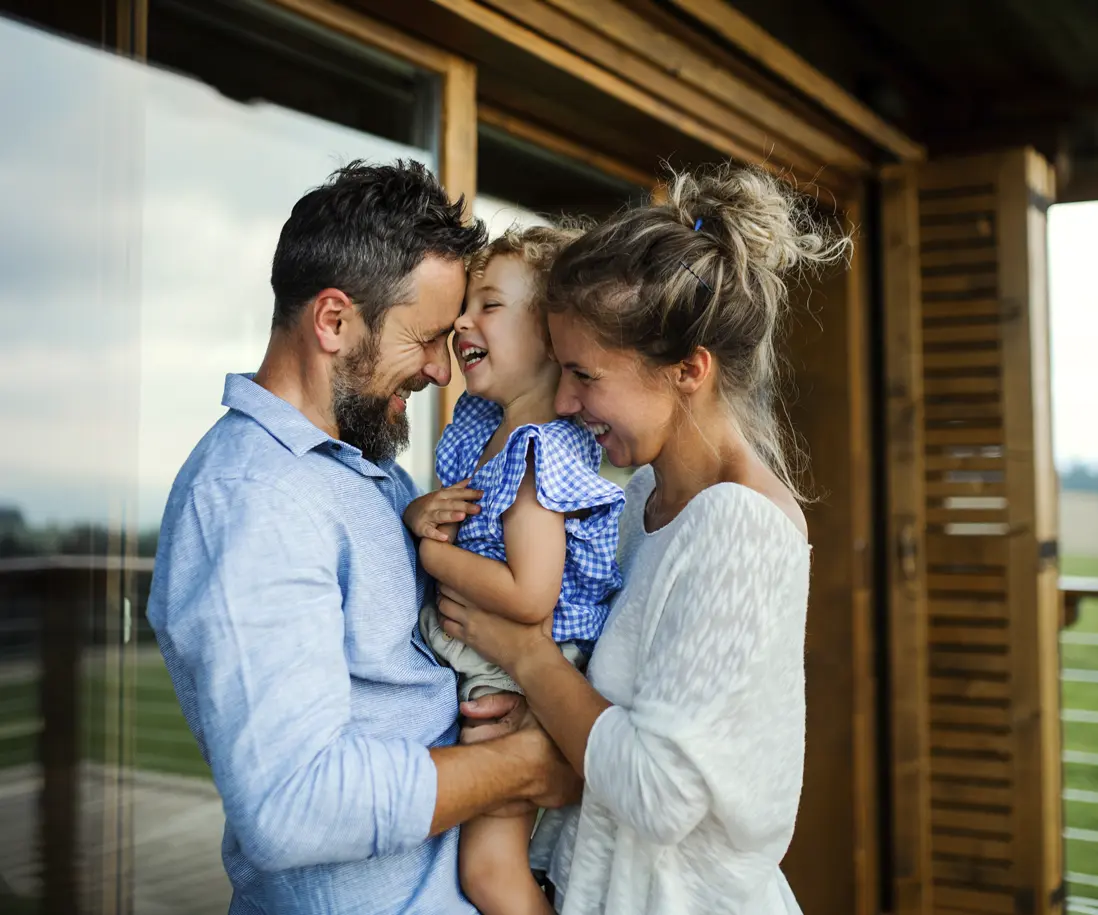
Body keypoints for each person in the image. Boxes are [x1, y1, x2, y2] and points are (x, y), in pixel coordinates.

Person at [145, 161, 581, 915]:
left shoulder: (372, 477)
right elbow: (293, 802)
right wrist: (525, 764)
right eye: (425, 338)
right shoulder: (253, 500)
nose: (441, 370)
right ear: (334, 322)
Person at [435, 164, 853, 914]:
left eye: (585, 375)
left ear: (688, 370)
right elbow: (609, 715)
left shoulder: (741, 529)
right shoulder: (636, 505)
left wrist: (526, 656)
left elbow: (659, 793)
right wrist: (541, 717)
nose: (566, 402)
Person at [403, 227, 626, 915]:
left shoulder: (536, 451)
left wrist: (432, 555)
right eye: (464, 306)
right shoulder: (484, 428)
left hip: (512, 670)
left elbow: (531, 595)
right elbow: (459, 513)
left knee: (489, 871)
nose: (461, 322)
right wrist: (420, 512)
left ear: (550, 339)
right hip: (484, 657)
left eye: (489, 305)